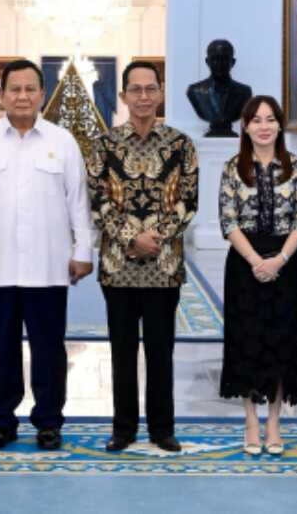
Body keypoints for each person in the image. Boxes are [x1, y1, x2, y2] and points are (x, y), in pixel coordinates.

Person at [0, 59, 94, 451]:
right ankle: (0, 422)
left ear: (42, 94)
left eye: (31, 89)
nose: (23, 96)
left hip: (49, 265)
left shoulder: (62, 141)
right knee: (0, 349)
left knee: (49, 349)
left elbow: (78, 202)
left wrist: (83, 250)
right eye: (15, 89)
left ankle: (49, 422)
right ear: (1, 94)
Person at [85, 61, 198, 453]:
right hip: (118, 268)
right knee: (122, 352)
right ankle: (123, 428)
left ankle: (162, 429)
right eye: (136, 89)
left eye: (151, 89)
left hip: (164, 267)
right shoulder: (104, 145)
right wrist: (131, 238)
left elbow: (188, 201)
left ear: (161, 93)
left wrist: (157, 238)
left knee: (160, 352)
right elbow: (98, 200)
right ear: (123, 96)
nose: (144, 97)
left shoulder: (181, 145)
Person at [218, 96, 297, 456]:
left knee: (280, 341)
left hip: (284, 264)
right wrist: (257, 261)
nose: (264, 126)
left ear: (280, 125)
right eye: (256, 120)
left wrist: (278, 260)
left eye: (270, 119)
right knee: (246, 340)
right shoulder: (233, 168)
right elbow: (228, 221)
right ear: (245, 126)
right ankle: (251, 422)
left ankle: (274, 422)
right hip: (244, 264)